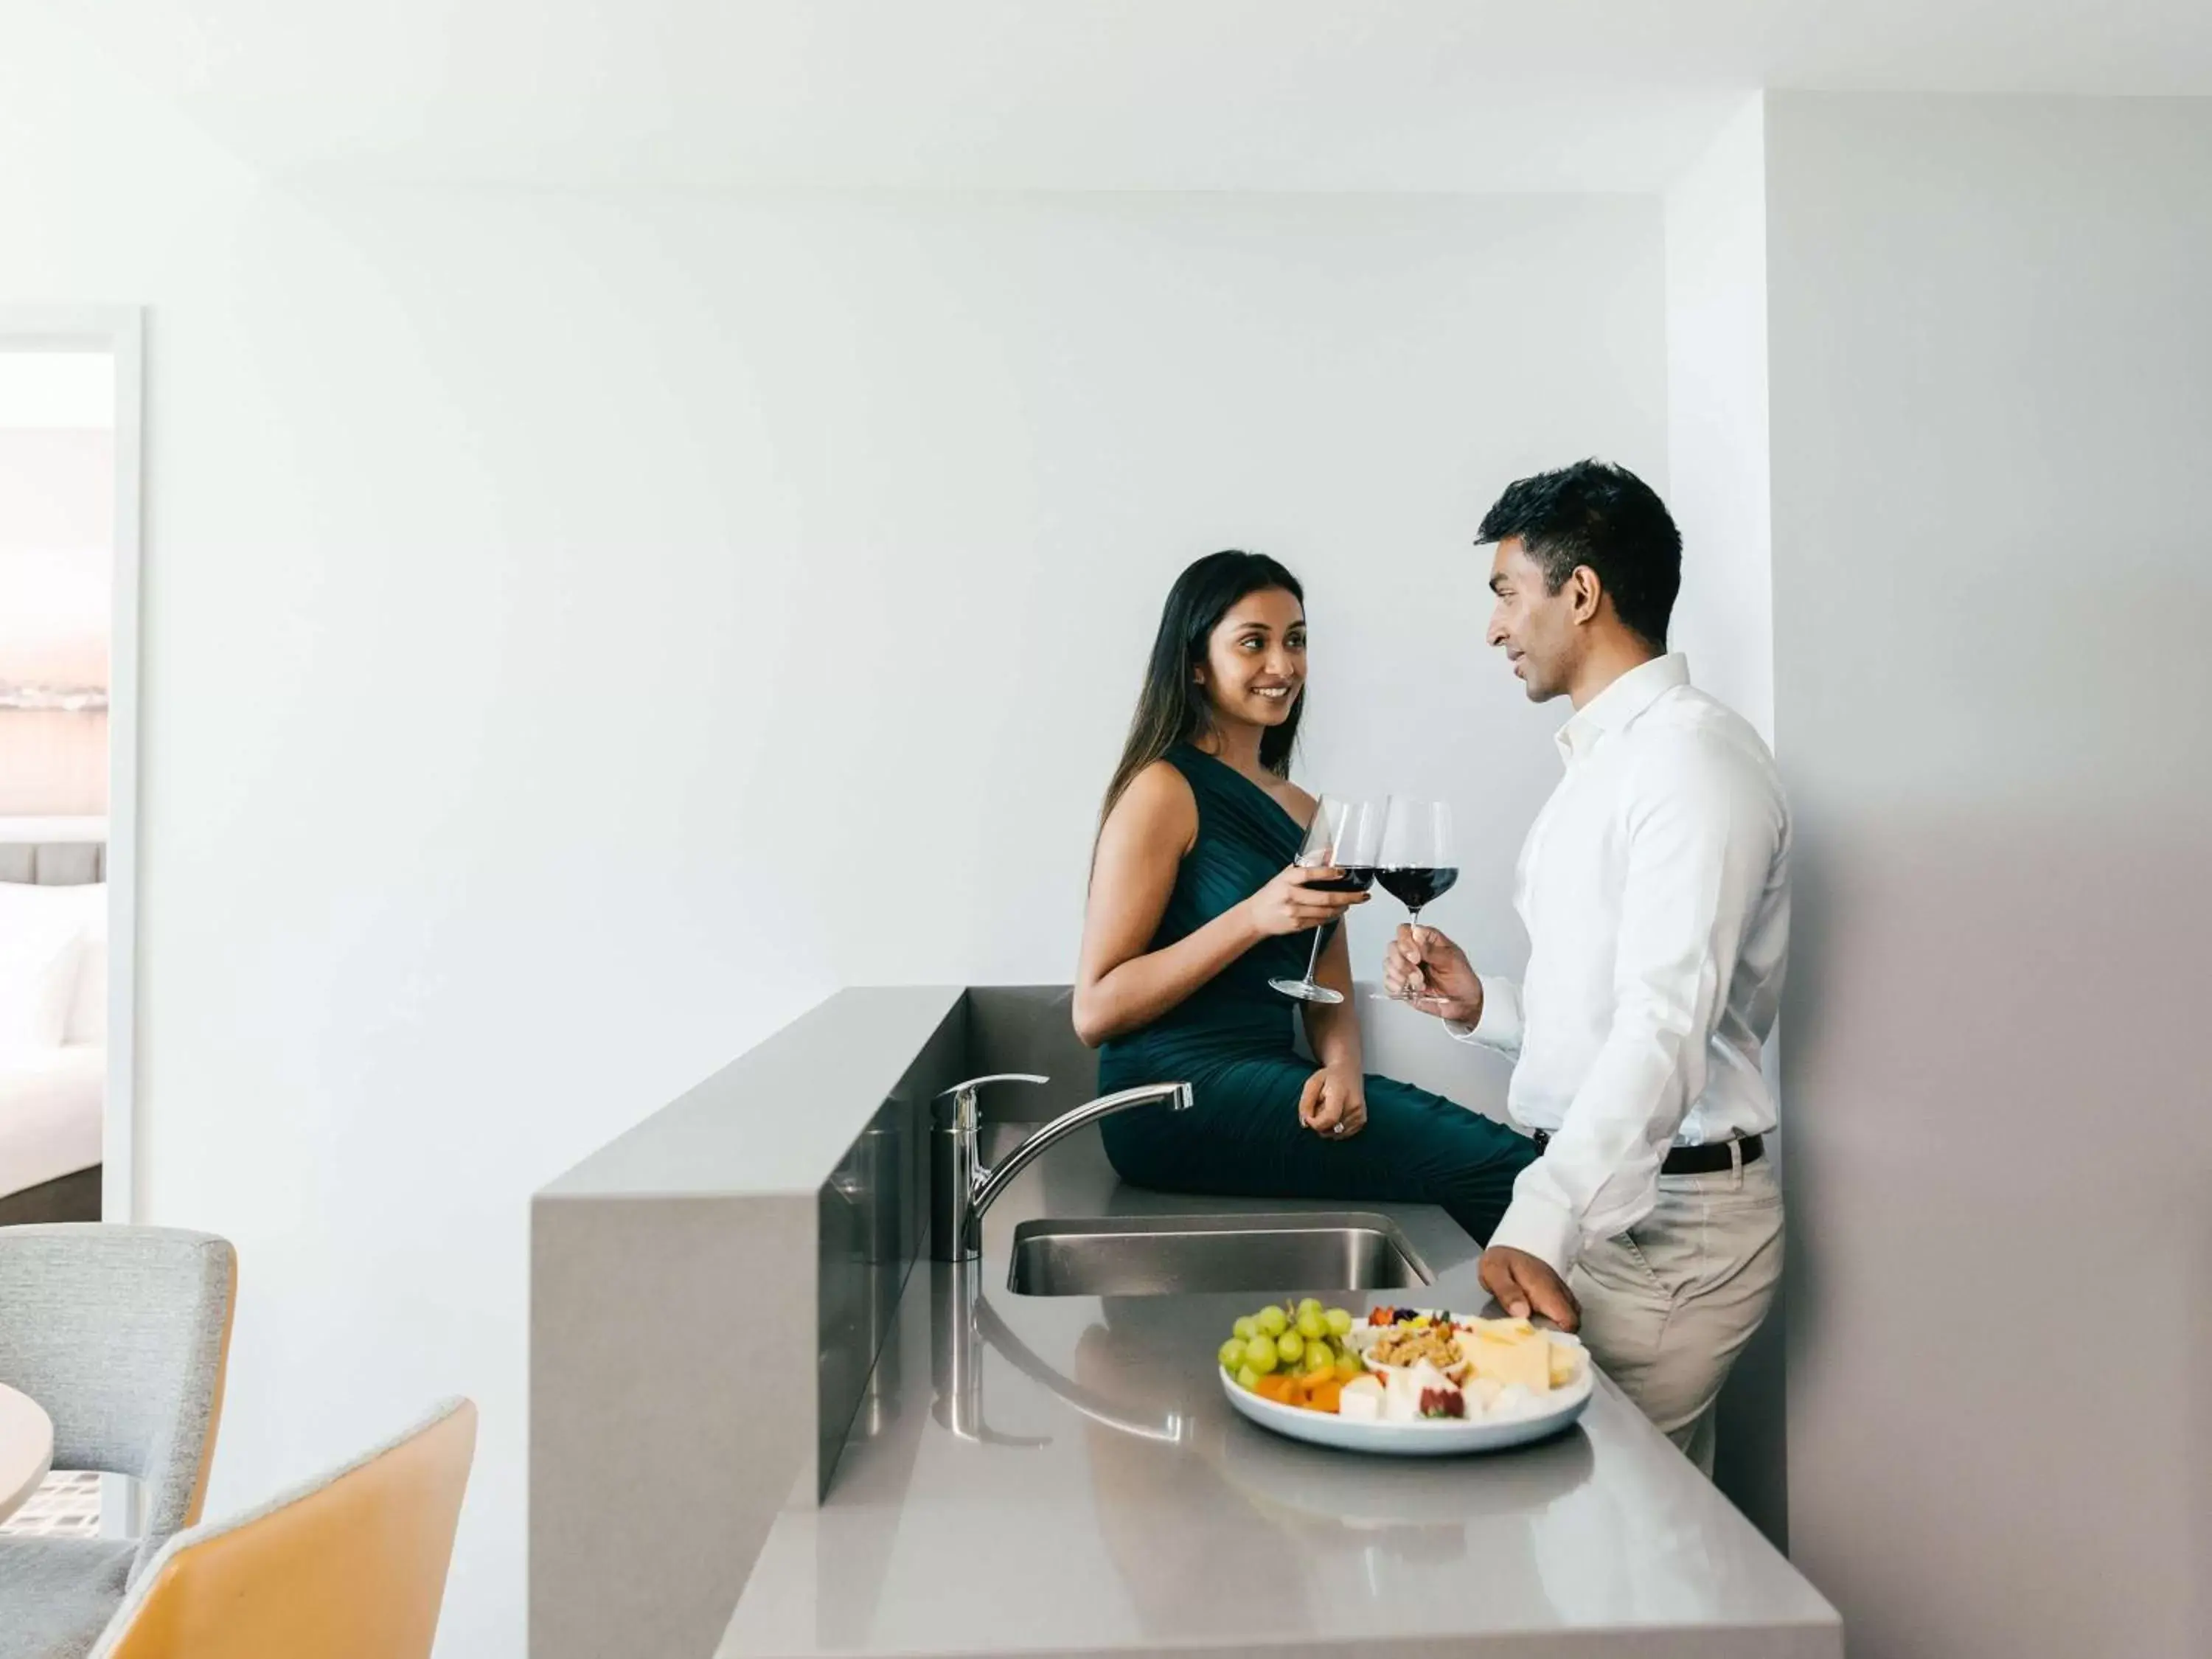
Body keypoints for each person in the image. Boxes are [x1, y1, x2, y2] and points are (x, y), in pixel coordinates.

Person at [1385, 459, 1791, 1472]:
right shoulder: (1611, 762)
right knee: (1615, 1552)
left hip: (1672, 1231)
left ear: (1581, 592)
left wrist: (1541, 1218)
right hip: (1623, 1209)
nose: (1494, 628)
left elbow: (1663, 1027)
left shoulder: (1692, 764)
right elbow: (1623, 1013)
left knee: (1615, 1544)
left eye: (1506, 594)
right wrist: (1490, 1009)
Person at [1074, 550, 1537, 1244]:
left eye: (1296, 640)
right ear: (1196, 662)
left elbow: (1327, 977)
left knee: (1508, 1170)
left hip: (1269, 1077)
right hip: (1169, 1100)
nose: (1283, 666)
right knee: (1509, 1171)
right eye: (1253, 642)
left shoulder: (1303, 807)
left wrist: (1344, 1066)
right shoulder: (1162, 790)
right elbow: (1095, 1010)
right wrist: (1255, 917)